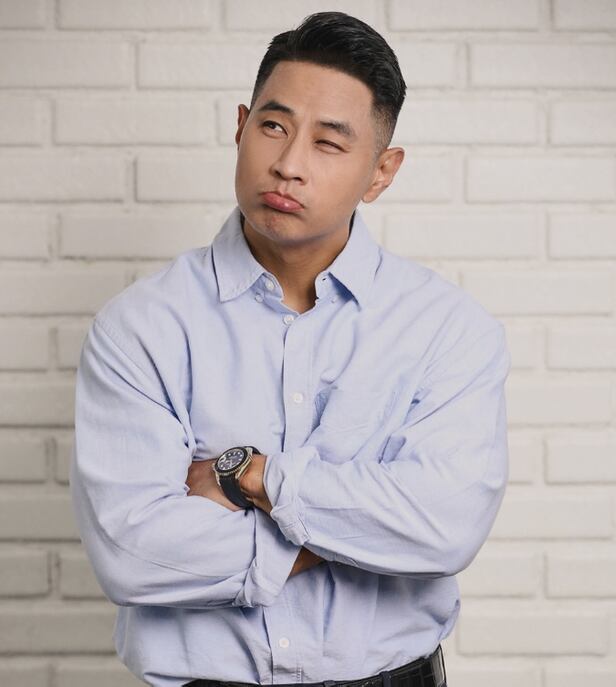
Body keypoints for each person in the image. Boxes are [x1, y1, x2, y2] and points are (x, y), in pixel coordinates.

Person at [70, 11, 510, 687]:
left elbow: (444, 526)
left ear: (381, 172)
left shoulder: (446, 330)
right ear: (240, 126)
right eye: (273, 127)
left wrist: (252, 477)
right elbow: (132, 554)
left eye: (329, 143)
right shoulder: (140, 327)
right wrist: (358, 528)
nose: (288, 164)